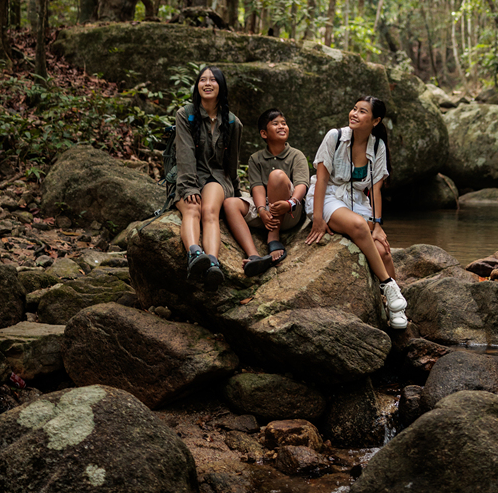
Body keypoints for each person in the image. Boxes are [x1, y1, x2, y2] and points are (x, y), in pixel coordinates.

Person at [304, 95, 408, 328]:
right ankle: (390, 289)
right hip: (328, 196)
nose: (354, 114)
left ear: (375, 120)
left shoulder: (377, 146)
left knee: (383, 250)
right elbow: (321, 179)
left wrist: (378, 225)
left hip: (357, 201)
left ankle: (394, 310)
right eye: (354, 109)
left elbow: (376, 189)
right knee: (360, 227)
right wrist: (318, 218)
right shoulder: (335, 137)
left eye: (362, 111)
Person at [175, 65, 271, 285]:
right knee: (192, 207)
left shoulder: (232, 122)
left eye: (213, 80)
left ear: (221, 87)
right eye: (202, 80)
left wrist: (236, 192)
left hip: (216, 177)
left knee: (209, 210)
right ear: (197, 85)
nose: (207, 84)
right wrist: (189, 187)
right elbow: (185, 154)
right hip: (188, 176)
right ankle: (194, 253)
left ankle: (213, 264)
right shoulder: (185, 115)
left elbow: (231, 162)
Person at [248, 108, 309, 265]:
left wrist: (291, 202)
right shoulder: (256, 158)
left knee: (277, 175)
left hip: (289, 211)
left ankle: (273, 236)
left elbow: (302, 183)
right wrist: (261, 210)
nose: (282, 126)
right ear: (264, 134)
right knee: (230, 204)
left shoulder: (296, 155)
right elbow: (257, 187)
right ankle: (253, 254)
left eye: (284, 123)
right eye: (276, 123)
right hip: (266, 214)